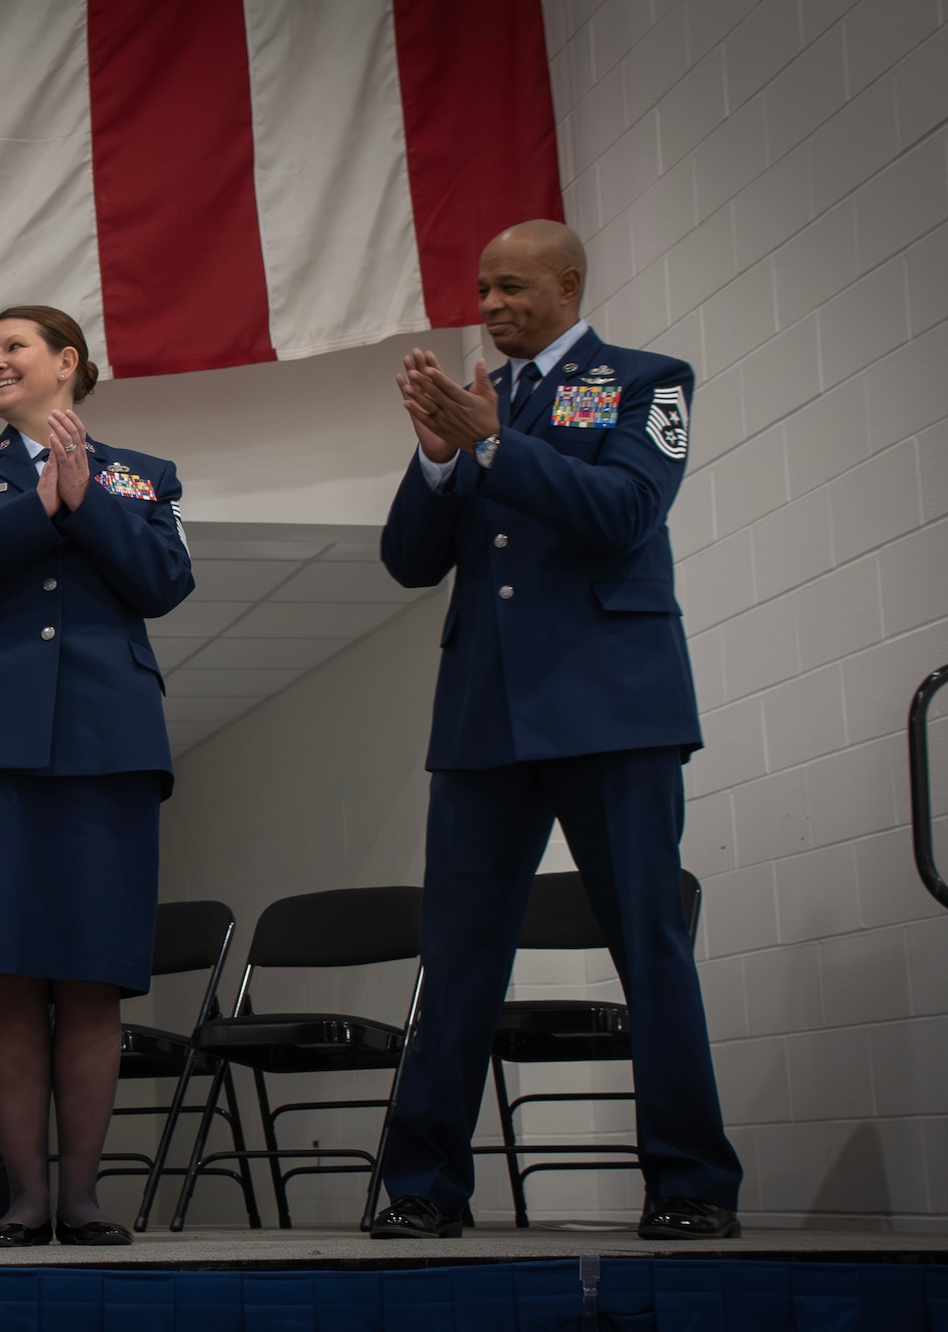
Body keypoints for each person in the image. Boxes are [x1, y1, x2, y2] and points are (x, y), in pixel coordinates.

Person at [372, 219, 743, 1241]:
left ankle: (690, 1184)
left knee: (647, 946)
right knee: (455, 960)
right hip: (484, 716)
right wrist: (441, 458)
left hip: (611, 706)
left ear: (567, 284)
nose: (488, 305)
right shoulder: (479, 404)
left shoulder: (640, 379)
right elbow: (409, 562)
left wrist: (493, 440)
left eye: (510, 287)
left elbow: (622, 510)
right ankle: (422, 1188)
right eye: (480, 289)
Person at [0, 306, 194, 1248]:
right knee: (10, 981)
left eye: (12, 348)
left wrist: (88, 498)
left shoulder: (145, 475)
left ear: (66, 362)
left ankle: (84, 1199)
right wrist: (41, 507)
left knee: (93, 979)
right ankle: (27, 1199)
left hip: (106, 750)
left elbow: (163, 581)